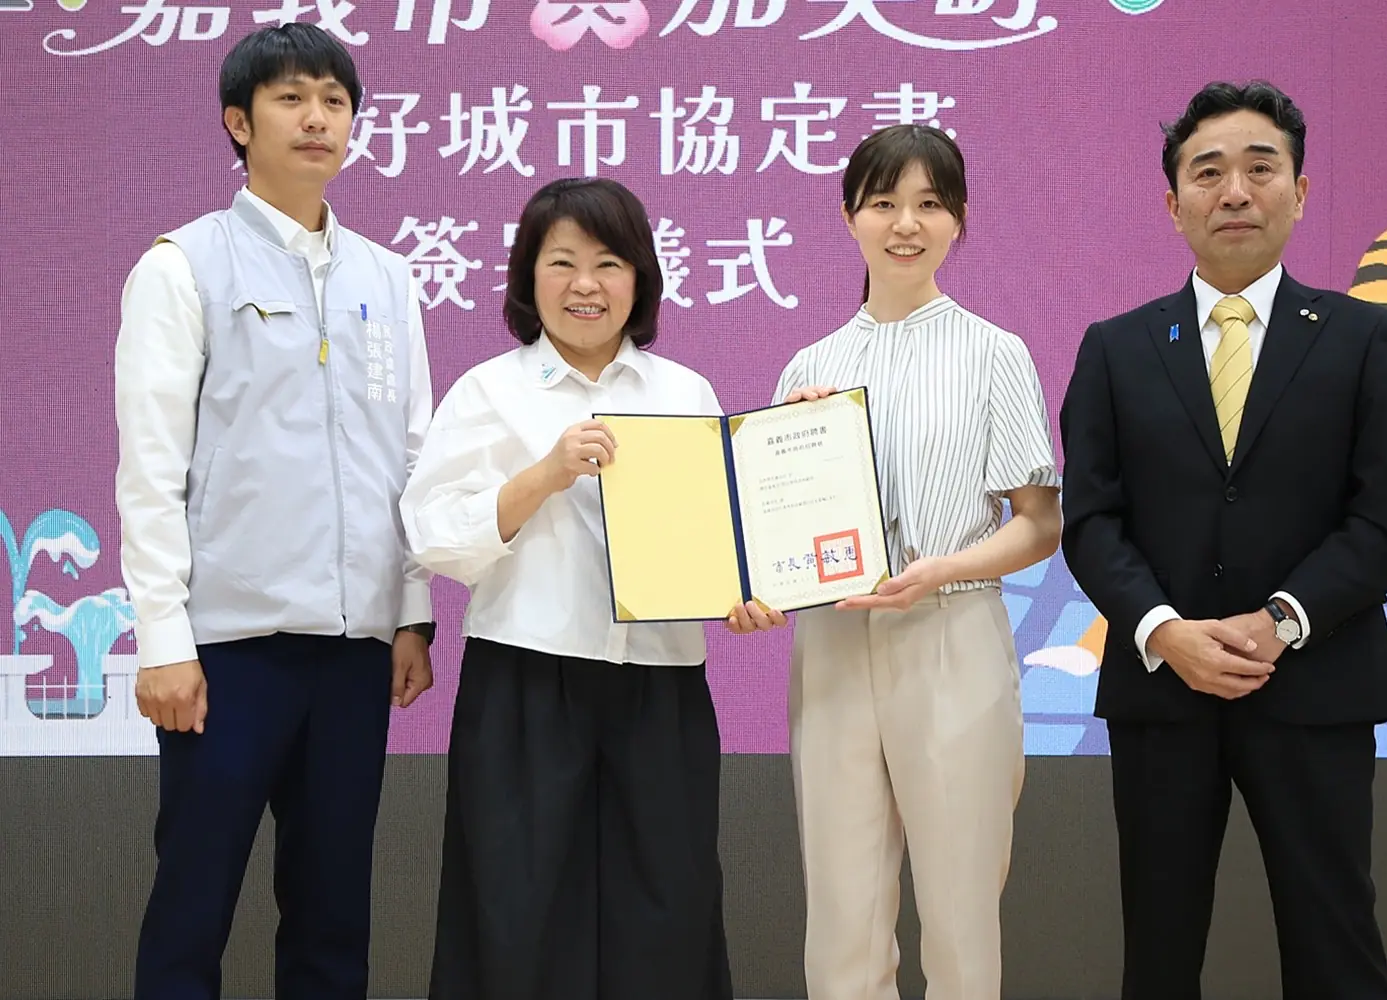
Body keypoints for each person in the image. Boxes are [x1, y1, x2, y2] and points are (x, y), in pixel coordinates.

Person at [1058, 80, 1387, 1000]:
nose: (1234, 192)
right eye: (1208, 172)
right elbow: (1091, 522)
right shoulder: (1115, 348)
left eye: (1261, 170)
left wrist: (1282, 619)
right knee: (1159, 952)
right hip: (1163, 690)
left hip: (1316, 683)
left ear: (1299, 192)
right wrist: (1165, 631)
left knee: (1336, 943)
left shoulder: (1366, 338)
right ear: (1172, 202)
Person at [115, 23, 436, 1000]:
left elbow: (410, 456)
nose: (316, 118)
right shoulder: (182, 267)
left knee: (333, 916)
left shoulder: (389, 277)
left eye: (335, 101)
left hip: (353, 650)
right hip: (227, 649)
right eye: (291, 98)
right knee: (193, 906)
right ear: (238, 122)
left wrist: (411, 613)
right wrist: (163, 640)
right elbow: (151, 470)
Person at [400, 176, 741, 1000]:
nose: (586, 284)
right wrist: (544, 474)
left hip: (660, 685)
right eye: (562, 262)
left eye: (609, 263)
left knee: (667, 911)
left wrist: (747, 587)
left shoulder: (684, 392)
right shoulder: (489, 390)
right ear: (528, 276)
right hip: (524, 684)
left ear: (640, 279)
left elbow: (722, 537)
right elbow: (432, 534)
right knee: (515, 915)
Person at [768, 124, 1063, 1000]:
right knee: (842, 918)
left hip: (950, 630)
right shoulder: (810, 366)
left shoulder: (994, 352)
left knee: (961, 914)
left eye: (931, 204)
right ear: (848, 215)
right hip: (833, 646)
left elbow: (1040, 524)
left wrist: (939, 569)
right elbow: (776, 538)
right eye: (884, 202)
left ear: (959, 220)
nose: (906, 223)